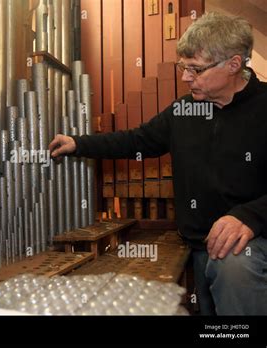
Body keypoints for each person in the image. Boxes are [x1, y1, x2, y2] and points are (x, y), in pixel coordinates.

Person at [49, 12, 267, 315]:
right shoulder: (184, 109)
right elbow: (137, 140)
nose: (185, 77)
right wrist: (80, 144)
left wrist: (250, 216)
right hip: (199, 243)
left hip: (250, 245)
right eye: (183, 67)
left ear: (233, 64)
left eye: (195, 69)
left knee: (235, 276)